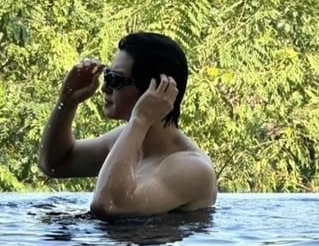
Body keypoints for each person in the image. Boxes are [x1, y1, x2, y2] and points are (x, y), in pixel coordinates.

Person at [38, 32, 217, 219]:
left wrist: (141, 119)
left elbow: (108, 205)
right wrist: (67, 103)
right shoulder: (126, 140)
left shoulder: (192, 168)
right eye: (106, 75)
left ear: (154, 90)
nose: (104, 88)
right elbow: (53, 164)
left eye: (115, 79)